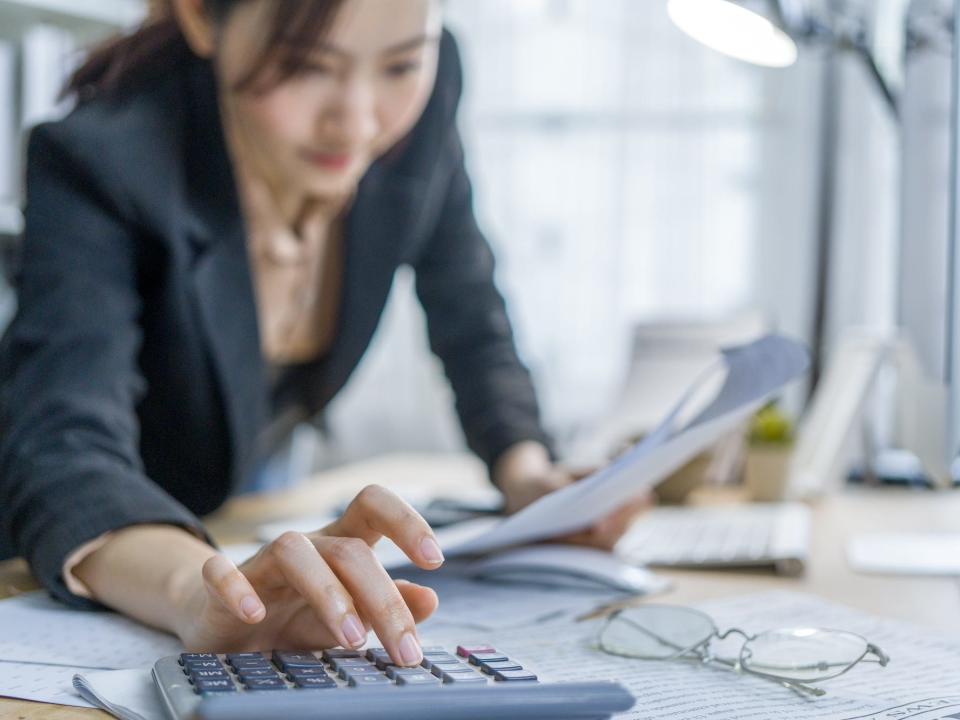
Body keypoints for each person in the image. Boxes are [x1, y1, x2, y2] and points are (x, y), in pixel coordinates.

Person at [0, 0, 646, 668]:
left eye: (400, 65)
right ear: (199, 15)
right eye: (307, 66)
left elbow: (468, 304)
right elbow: (65, 446)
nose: (358, 121)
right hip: (69, 553)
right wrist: (200, 589)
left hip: (225, 513)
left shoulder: (426, 98)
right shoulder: (102, 158)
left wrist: (527, 473)